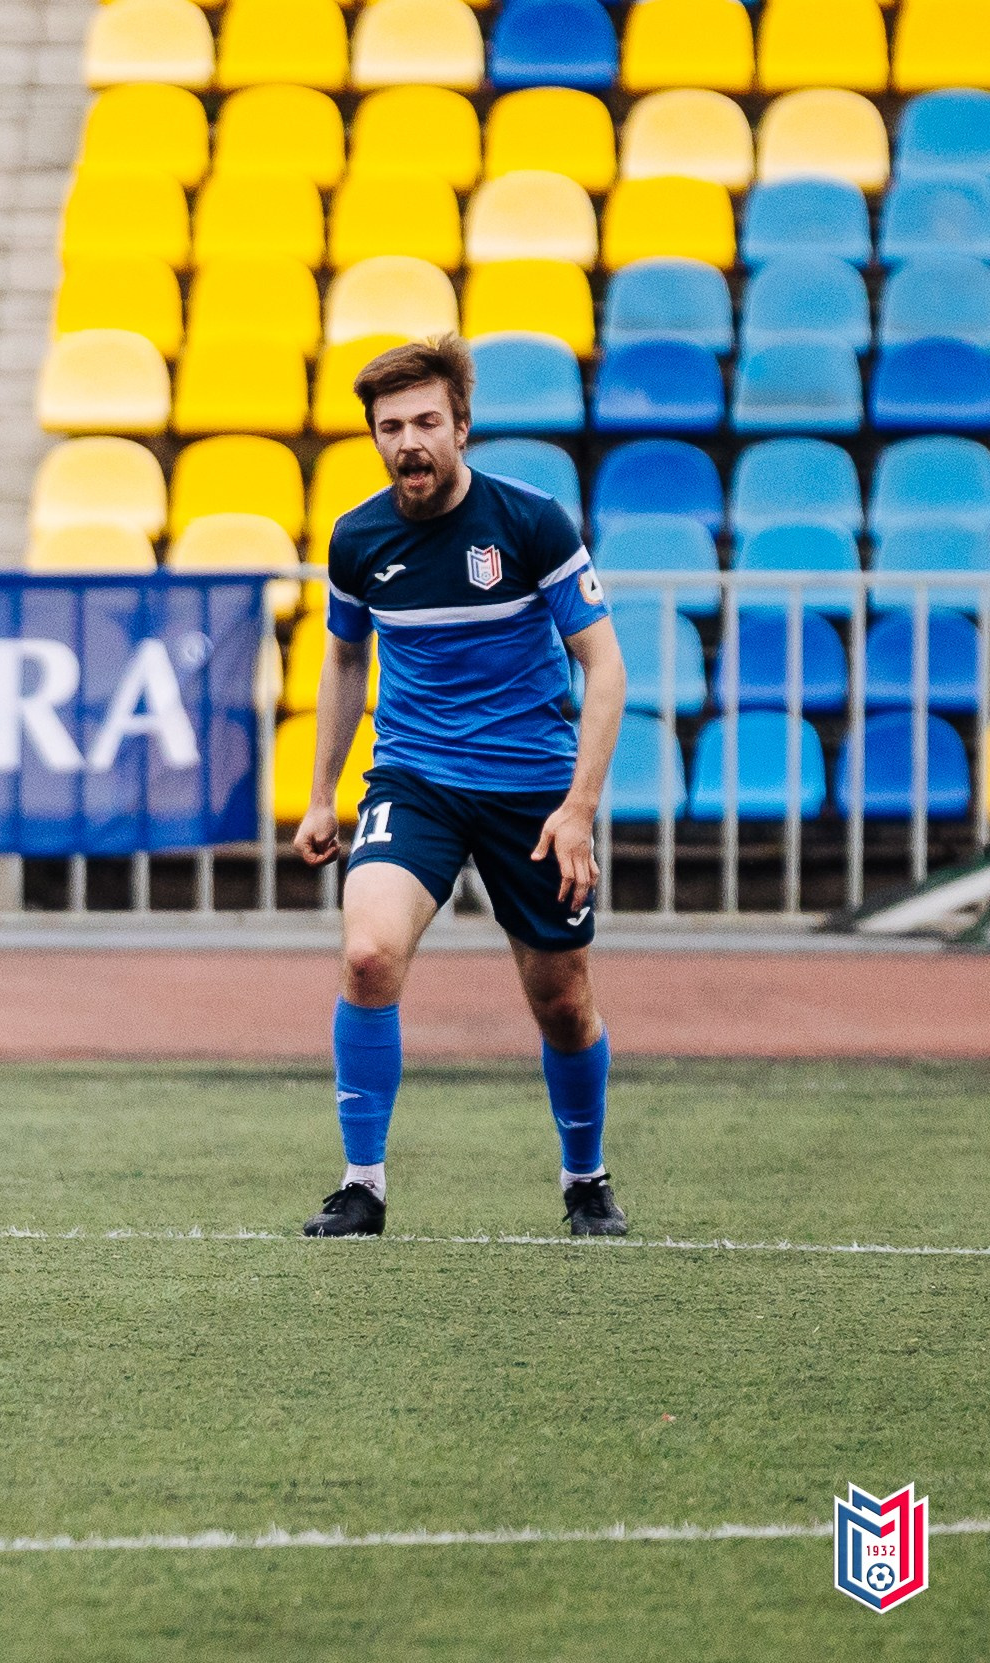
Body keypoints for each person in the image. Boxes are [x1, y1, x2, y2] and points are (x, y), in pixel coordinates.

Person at [292, 334, 630, 1240]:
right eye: (391, 425)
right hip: (416, 781)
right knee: (366, 954)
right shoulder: (358, 537)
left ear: (461, 428)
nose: (410, 441)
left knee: (562, 1002)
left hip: (531, 792)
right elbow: (342, 655)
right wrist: (323, 793)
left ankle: (584, 1175)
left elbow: (603, 667)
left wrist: (577, 811)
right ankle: (361, 1184)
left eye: (427, 422)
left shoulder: (530, 522)